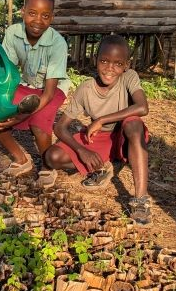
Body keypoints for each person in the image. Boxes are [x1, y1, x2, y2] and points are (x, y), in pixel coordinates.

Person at [43, 35, 152, 225]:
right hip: (102, 138)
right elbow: (60, 127)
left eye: (118, 63)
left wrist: (101, 120)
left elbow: (142, 107)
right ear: (95, 59)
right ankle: (104, 165)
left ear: (126, 65)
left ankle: (140, 201)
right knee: (52, 157)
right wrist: (81, 150)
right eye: (104, 61)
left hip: (126, 137)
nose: (110, 68)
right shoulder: (85, 88)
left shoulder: (129, 78)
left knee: (133, 123)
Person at [0, 0, 69, 184]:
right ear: (23, 12)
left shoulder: (58, 44)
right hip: (26, 84)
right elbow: (8, 71)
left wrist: (19, 116)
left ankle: (46, 166)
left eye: (45, 16)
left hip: (52, 89)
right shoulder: (13, 33)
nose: (38, 20)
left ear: (52, 17)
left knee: (39, 120)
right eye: (32, 13)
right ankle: (21, 159)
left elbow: (49, 93)